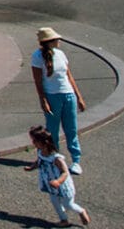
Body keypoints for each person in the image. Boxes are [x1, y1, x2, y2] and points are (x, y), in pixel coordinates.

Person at [31, 27, 87, 174]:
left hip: (68, 95)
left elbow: (69, 76)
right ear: (49, 41)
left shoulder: (61, 54)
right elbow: (38, 81)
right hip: (52, 96)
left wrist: (79, 96)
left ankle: (76, 160)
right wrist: (43, 100)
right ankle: (54, 158)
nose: (59, 41)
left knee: (71, 129)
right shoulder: (37, 56)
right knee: (52, 131)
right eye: (56, 39)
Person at [24, 125, 90, 226]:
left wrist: (58, 181)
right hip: (51, 184)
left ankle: (81, 211)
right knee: (55, 202)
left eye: (35, 141)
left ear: (44, 142)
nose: (33, 143)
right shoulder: (41, 152)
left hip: (63, 186)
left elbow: (65, 172)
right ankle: (64, 220)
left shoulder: (56, 158)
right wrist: (32, 167)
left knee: (68, 204)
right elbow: (39, 161)